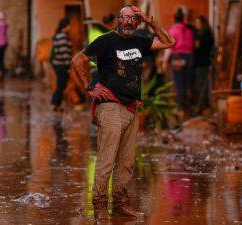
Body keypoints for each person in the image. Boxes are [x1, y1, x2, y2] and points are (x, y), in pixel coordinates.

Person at [71, 5, 175, 219]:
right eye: (126, 18)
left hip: (131, 108)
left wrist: (150, 21)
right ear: (119, 19)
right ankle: (100, 206)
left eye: (134, 19)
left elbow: (169, 42)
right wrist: (89, 87)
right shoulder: (106, 41)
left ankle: (119, 204)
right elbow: (77, 60)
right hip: (110, 107)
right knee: (107, 159)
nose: (130, 22)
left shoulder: (139, 41)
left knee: (126, 162)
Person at [163, 8, 195, 117]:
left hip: (177, 58)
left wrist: (164, 61)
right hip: (190, 58)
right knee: (188, 84)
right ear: (183, 19)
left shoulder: (173, 30)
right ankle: (188, 108)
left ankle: (181, 110)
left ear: (174, 19)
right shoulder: (189, 31)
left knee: (179, 84)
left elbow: (169, 48)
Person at [50, 18, 73, 112]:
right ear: (65, 26)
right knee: (61, 85)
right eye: (69, 25)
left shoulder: (58, 35)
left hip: (57, 63)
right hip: (62, 64)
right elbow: (64, 53)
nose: (70, 27)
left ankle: (57, 105)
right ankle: (54, 103)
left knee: (61, 84)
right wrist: (68, 66)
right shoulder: (63, 36)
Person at [193, 16, 215, 113]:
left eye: (198, 23)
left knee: (201, 86)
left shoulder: (202, 34)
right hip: (204, 62)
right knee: (203, 85)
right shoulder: (207, 33)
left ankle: (202, 106)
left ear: (202, 23)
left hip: (201, 63)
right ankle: (204, 106)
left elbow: (197, 46)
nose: (196, 25)